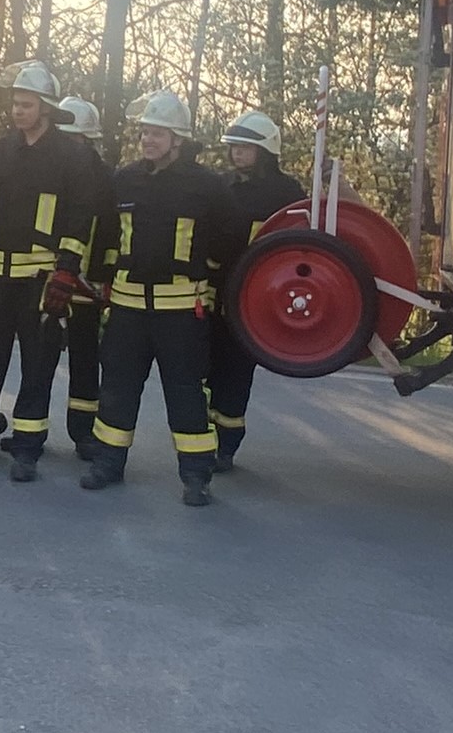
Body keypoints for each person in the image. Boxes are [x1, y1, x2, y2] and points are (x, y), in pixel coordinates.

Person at [0, 64, 102, 480]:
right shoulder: (0, 151)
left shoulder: (72, 157)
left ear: (45, 108)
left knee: (38, 365)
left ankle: (27, 447)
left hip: (41, 281)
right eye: (15, 104)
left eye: (26, 104)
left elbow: (80, 219)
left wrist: (66, 273)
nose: (17, 111)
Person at [81, 90, 243, 506]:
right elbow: (108, 235)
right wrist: (102, 278)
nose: (147, 140)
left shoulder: (207, 186)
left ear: (177, 139)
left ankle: (196, 475)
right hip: (128, 306)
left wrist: (208, 272)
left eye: (156, 133)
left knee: (186, 393)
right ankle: (107, 462)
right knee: (117, 387)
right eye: (144, 133)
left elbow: (231, 238)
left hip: (181, 309)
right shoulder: (124, 180)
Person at [207, 110, 305, 471]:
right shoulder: (222, 185)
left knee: (236, 370)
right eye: (234, 147)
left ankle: (226, 446)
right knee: (206, 365)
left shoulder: (286, 193)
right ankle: (203, 438)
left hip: (255, 296)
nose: (237, 153)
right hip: (214, 290)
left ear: (265, 151)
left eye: (245, 148)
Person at [54, 96, 116, 459]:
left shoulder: (105, 179)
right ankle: (30, 429)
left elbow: (112, 232)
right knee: (39, 359)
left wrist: (104, 277)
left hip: (86, 284)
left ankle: (83, 432)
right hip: (48, 279)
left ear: (86, 139)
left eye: (72, 138)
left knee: (84, 359)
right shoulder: (47, 167)